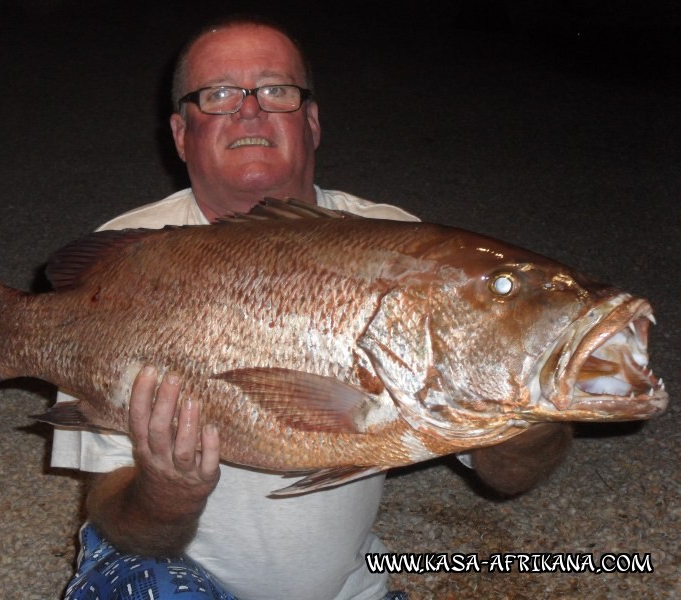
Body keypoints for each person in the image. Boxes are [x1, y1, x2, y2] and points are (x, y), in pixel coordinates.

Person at [51, 14, 571, 600]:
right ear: (179, 133)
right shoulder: (128, 258)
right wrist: (168, 491)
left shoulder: (404, 249)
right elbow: (119, 522)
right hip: (162, 569)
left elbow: (509, 475)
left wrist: (534, 393)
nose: (250, 110)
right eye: (219, 94)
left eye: (276, 90)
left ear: (313, 121)